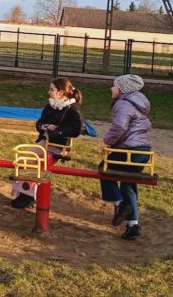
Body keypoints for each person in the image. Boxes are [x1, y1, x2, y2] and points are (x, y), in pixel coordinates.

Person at [10, 77, 84, 209]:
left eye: (51, 89)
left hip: (59, 145)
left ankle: (28, 194)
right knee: (25, 159)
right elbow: (40, 122)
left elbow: (75, 130)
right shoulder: (50, 106)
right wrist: (44, 126)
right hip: (45, 141)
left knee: (37, 163)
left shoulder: (72, 110)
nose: (48, 92)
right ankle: (23, 192)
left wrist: (57, 131)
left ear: (60, 92)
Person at [100, 74, 152, 241]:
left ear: (122, 89)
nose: (111, 88)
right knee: (128, 182)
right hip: (143, 151)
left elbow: (120, 127)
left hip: (130, 150)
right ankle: (133, 226)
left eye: (114, 86)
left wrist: (107, 141)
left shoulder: (123, 103)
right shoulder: (138, 103)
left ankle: (120, 204)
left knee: (104, 168)